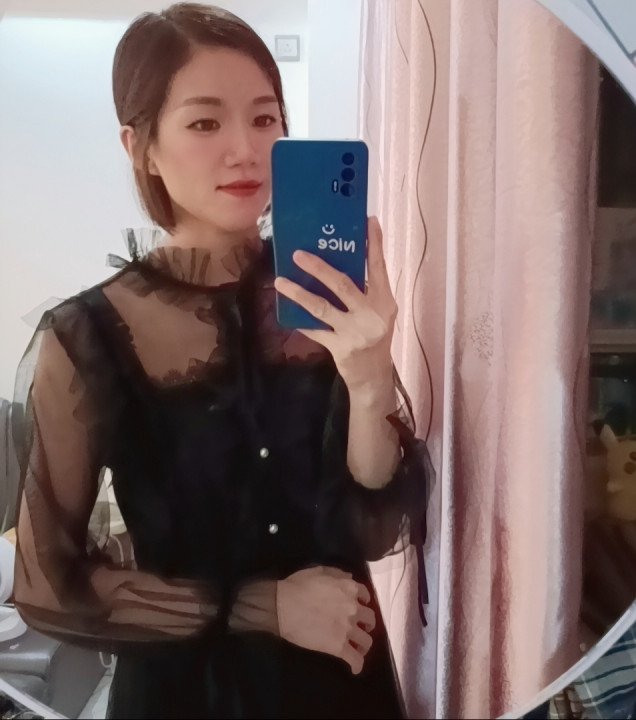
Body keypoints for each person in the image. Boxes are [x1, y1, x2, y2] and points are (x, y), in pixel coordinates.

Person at [11, 3, 432, 718]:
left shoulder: (325, 297)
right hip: (183, 694)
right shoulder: (89, 336)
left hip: (338, 684)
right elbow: (47, 584)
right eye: (205, 123)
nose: (246, 149)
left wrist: (367, 382)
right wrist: (265, 607)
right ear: (140, 146)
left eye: (265, 119)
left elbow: (369, 529)